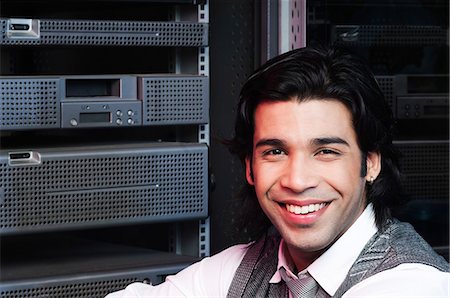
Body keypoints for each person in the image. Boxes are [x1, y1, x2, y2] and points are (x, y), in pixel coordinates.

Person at [106, 46, 449, 297]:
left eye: (326, 151)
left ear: (370, 163)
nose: (297, 180)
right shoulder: (243, 268)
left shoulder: (414, 285)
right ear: (250, 169)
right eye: (275, 151)